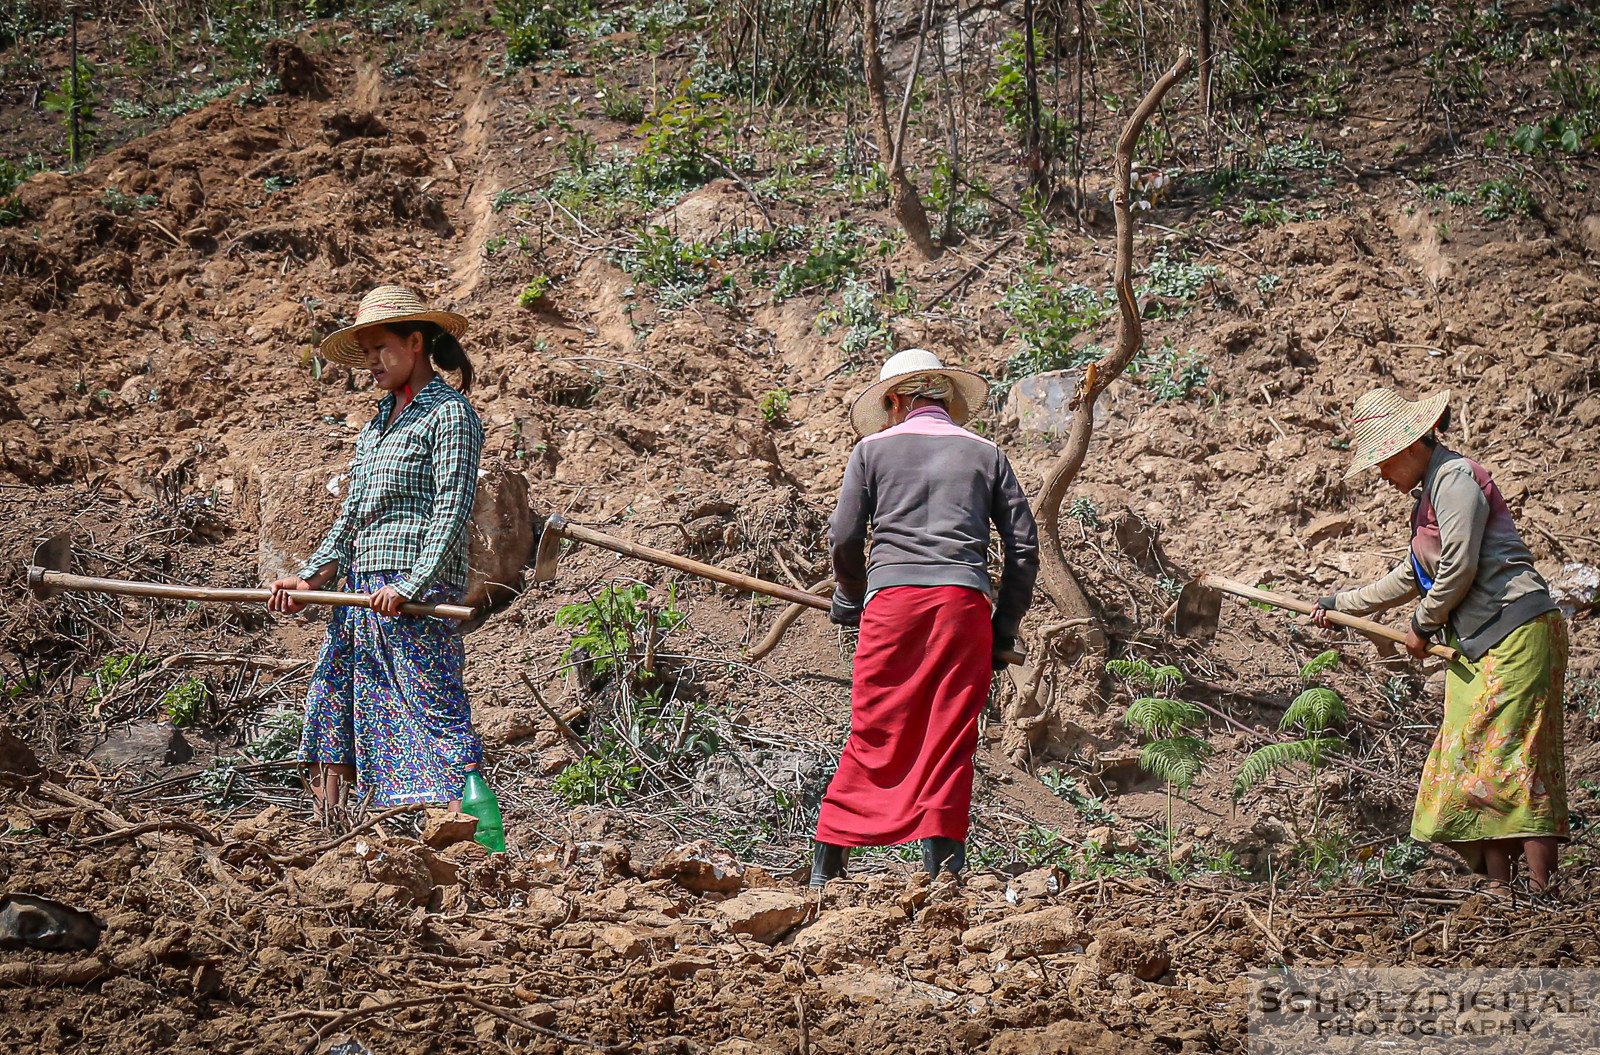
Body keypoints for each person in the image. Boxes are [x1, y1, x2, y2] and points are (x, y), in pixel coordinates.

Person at [1313, 387, 1567, 892]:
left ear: (1410, 447)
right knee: (1476, 765)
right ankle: (1499, 888)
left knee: (1514, 760)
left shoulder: (1455, 481)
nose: (1382, 477)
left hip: (1516, 634)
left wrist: (1423, 625)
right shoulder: (1429, 495)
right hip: (1478, 646)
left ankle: (1541, 891)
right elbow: (1411, 576)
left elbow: (1459, 567)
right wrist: (1341, 604)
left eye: (1384, 464)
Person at [811, 349, 1038, 887]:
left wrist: (849, 595)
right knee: (949, 734)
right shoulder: (986, 453)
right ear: (943, 398)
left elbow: (844, 537)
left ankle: (828, 865)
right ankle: (945, 872)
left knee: (875, 729)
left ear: (895, 400)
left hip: (892, 605)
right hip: (963, 608)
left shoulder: (871, 450)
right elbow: (1023, 551)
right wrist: (1001, 630)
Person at [267, 285, 486, 816]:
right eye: (364, 352)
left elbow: (451, 512)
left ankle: (475, 830)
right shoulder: (376, 426)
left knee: (430, 709)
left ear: (415, 343)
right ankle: (349, 828)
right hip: (362, 590)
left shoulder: (449, 415)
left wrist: (410, 585)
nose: (370, 363)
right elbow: (352, 516)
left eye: (379, 348)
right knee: (337, 697)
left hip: (415, 591)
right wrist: (312, 578)